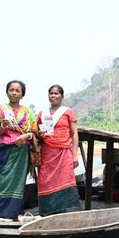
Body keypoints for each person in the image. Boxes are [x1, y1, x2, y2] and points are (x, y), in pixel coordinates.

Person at [0, 80, 37, 221]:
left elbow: (34, 132)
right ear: (7, 91)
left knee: (18, 183)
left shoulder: (28, 112)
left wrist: (25, 136)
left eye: (18, 90)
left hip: (22, 151)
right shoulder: (0, 108)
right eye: (11, 90)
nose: (14, 93)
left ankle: (13, 215)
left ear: (22, 94)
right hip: (5, 149)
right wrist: (3, 126)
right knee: (1, 180)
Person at [36, 84, 81, 216]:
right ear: (48, 95)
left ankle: (63, 211)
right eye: (51, 93)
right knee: (46, 180)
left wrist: (75, 155)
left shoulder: (68, 112)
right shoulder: (41, 113)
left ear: (62, 96)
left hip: (63, 151)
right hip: (47, 152)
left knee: (64, 178)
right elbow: (36, 132)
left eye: (56, 93)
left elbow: (74, 134)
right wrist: (39, 134)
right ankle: (47, 211)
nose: (53, 96)